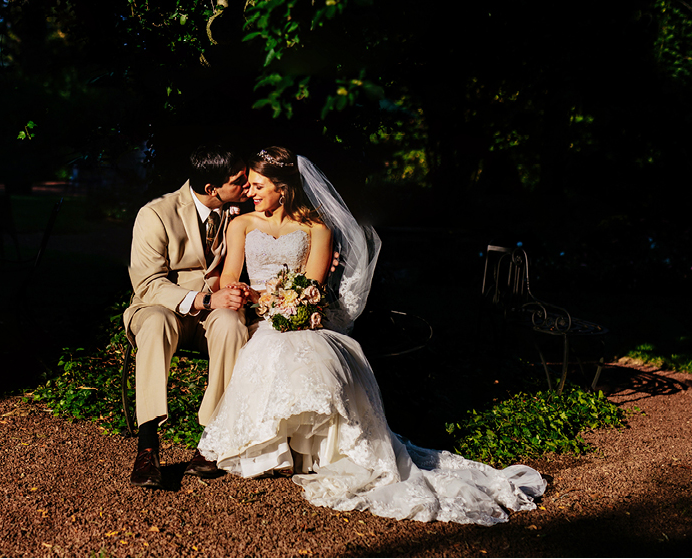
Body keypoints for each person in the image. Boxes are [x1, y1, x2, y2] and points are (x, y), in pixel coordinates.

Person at [198, 146, 548, 525]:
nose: (249, 192)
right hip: (267, 317)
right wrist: (246, 294)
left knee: (315, 355)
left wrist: (281, 300)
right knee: (273, 348)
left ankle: (319, 454)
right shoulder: (242, 225)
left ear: (282, 188)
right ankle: (275, 452)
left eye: (257, 185)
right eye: (249, 185)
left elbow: (312, 286)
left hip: (304, 317)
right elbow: (231, 277)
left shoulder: (318, 227)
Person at [124, 144, 250, 488]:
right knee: (155, 323)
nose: (249, 183)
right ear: (212, 189)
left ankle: (211, 439)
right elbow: (148, 283)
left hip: (212, 314)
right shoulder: (156, 214)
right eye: (240, 179)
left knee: (231, 324)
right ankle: (148, 444)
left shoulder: (239, 208)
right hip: (161, 307)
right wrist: (204, 300)